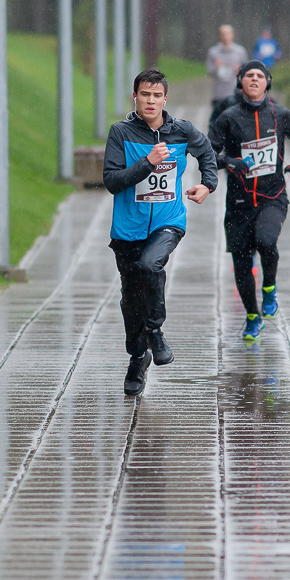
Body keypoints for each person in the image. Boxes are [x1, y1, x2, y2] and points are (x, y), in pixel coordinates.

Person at [103, 69, 218, 395]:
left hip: (168, 221)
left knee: (149, 265)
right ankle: (138, 357)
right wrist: (147, 163)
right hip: (128, 229)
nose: (150, 101)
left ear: (165, 99)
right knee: (131, 299)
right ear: (135, 97)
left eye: (156, 96)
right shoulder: (120, 132)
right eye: (145, 95)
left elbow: (207, 152)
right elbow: (112, 181)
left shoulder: (181, 130)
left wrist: (208, 184)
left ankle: (155, 332)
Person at [209, 60, 290, 341]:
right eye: (249, 75)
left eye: (260, 76)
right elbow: (207, 153)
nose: (254, 79)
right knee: (242, 264)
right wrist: (229, 162)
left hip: (272, 197)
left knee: (266, 241)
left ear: (268, 83)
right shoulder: (228, 117)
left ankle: (269, 289)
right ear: (240, 82)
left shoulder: (280, 114)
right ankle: (253, 317)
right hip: (238, 203)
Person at [206, 24, 248, 127]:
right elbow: (209, 72)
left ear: (232, 35)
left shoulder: (240, 51)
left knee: (235, 123)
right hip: (219, 94)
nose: (225, 36)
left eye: (227, 33)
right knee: (217, 123)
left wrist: (239, 70)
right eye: (223, 34)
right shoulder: (213, 52)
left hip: (235, 93)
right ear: (219, 36)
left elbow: (247, 72)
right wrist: (216, 68)